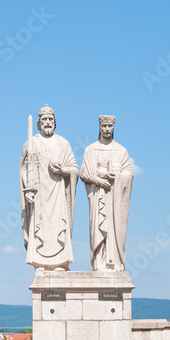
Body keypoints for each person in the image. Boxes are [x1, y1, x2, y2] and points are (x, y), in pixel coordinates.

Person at [20, 105, 79, 271]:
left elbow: (74, 169)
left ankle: (60, 261)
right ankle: (40, 261)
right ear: (39, 123)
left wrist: (62, 170)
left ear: (55, 122)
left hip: (57, 193)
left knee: (59, 225)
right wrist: (28, 188)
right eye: (44, 120)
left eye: (50, 120)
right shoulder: (31, 143)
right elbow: (24, 169)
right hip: (39, 194)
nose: (48, 123)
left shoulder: (63, 143)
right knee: (40, 227)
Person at [80, 115, 134, 272]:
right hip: (98, 196)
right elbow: (84, 173)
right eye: (104, 126)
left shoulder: (121, 150)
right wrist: (98, 179)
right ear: (99, 128)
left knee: (115, 228)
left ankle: (115, 262)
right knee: (98, 227)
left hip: (115, 198)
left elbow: (128, 173)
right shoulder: (90, 149)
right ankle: (100, 261)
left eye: (110, 126)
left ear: (113, 127)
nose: (107, 129)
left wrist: (116, 177)